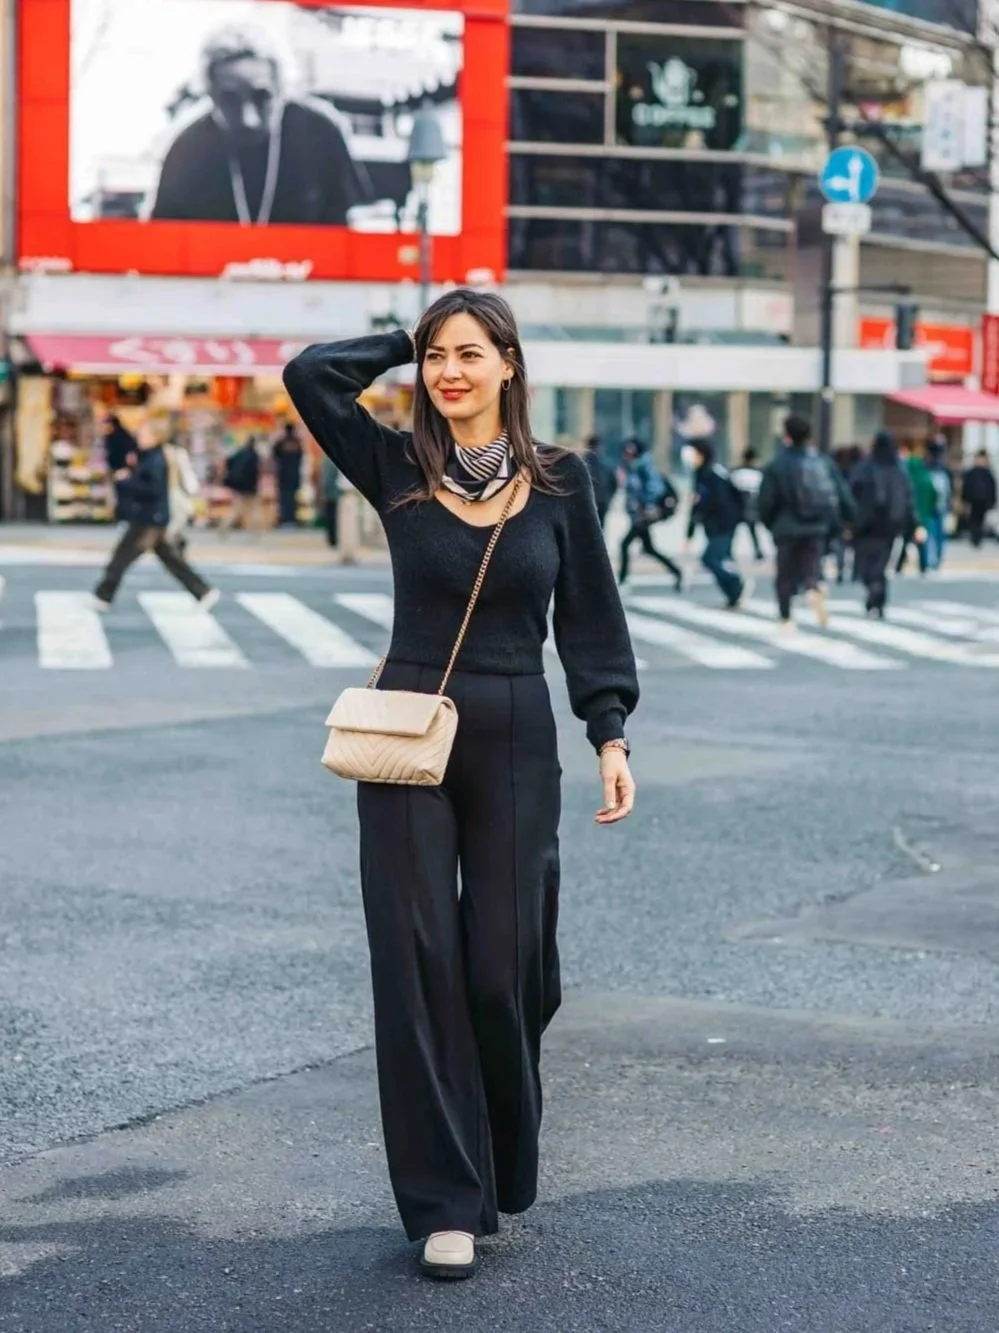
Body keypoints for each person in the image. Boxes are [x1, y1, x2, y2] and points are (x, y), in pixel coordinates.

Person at [282, 288, 638, 1279]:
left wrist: (608, 732)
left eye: (469, 353)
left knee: (500, 965)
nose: (449, 370)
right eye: (437, 355)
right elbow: (311, 375)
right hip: (408, 730)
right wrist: (403, 335)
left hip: (518, 729)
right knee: (416, 955)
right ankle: (445, 1200)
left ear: (510, 366)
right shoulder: (397, 463)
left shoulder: (564, 483)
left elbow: (592, 618)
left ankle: (500, 1151)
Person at [147, 26, 372, 225]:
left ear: (281, 89)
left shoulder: (323, 133)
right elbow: (161, 247)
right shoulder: (185, 151)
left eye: (262, 96)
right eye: (230, 100)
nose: (249, 119)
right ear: (211, 96)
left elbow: (352, 231)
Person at [93, 421, 218, 611]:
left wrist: (125, 481)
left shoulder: (156, 459)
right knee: (169, 558)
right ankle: (202, 591)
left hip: (149, 518)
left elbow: (152, 489)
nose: (139, 438)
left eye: (144, 434)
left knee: (121, 558)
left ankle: (103, 596)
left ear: (155, 437)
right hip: (153, 516)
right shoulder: (148, 457)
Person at [758, 414, 854, 632]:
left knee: (784, 574)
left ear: (787, 436)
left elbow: (765, 501)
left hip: (786, 527)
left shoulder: (777, 465)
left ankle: (786, 618)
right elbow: (841, 493)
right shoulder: (822, 462)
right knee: (811, 566)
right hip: (817, 526)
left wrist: (770, 524)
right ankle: (813, 588)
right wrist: (847, 521)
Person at [849, 430, 920, 619]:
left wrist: (849, 520)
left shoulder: (864, 467)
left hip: (866, 525)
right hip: (891, 525)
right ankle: (878, 598)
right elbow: (908, 500)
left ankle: (873, 590)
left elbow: (851, 494)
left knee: (866, 564)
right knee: (881, 563)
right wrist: (914, 524)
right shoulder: (899, 470)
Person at [685, 438, 748, 608]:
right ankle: (733, 595)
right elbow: (695, 506)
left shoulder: (714, 474)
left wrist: (704, 505)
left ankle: (737, 585)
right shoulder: (700, 474)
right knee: (721, 559)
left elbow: (721, 501)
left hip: (724, 525)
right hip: (713, 526)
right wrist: (689, 533)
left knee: (710, 559)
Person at [618, 437, 682, 590]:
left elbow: (655, 489)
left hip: (643, 516)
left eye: (629, 450)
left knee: (624, 544)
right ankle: (677, 572)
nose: (626, 454)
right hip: (639, 515)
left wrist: (643, 504)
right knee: (649, 549)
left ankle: (623, 580)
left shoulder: (644, 467)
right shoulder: (634, 467)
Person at [895, 440, 936, 575]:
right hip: (924, 516)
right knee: (921, 542)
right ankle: (923, 566)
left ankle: (899, 566)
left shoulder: (907, 480)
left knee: (906, 541)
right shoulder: (926, 478)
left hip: (909, 516)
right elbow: (934, 495)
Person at [221, 436, 262, 533]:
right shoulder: (254, 455)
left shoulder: (240, 453)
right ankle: (256, 531)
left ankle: (224, 526)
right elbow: (255, 472)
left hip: (239, 486)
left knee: (236, 509)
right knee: (254, 509)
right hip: (251, 487)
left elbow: (228, 461)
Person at [730, 446, 764, 560]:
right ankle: (758, 550)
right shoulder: (759, 474)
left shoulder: (735, 472)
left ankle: (728, 551)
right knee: (752, 530)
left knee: (733, 531)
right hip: (751, 506)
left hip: (736, 506)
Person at [102, 414, 139, 520]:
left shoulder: (119, 436)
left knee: (122, 491)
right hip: (118, 468)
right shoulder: (117, 435)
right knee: (119, 492)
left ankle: (122, 514)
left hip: (122, 468)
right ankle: (121, 513)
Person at [924, 436, 953, 570]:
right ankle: (938, 557)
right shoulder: (945, 469)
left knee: (931, 532)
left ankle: (932, 558)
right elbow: (949, 489)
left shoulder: (926, 467)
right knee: (940, 532)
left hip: (930, 504)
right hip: (941, 505)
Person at [962, 449, 997, 547]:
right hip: (973, 501)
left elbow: (992, 488)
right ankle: (974, 538)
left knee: (980, 520)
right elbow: (966, 487)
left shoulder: (988, 473)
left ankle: (977, 538)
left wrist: (992, 501)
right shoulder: (971, 473)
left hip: (983, 501)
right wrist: (964, 500)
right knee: (973, 520)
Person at [271, 423, 303, 527]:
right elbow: (300, 458)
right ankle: (292, 519)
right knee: (293, 498)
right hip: (294, 475)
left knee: (284, 498)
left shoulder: (281, 443)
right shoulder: (297, 443)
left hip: (283, 475)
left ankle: (285, 519)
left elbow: (274, 456)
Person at [582, 434, 617, 529]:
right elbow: (614, 484)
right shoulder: (605, 463)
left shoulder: (581, 462)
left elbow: (613, 483)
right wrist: (608, 498)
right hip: (598, 502)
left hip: (588, 503)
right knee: (599, 530)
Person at [320, 454, 340, 547]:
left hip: (332, 493)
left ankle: (333, 539)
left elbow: (326, 478)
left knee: (332, 517)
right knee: (333, 517)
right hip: (334, 493)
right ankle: (333, 539)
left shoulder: (329, 459)